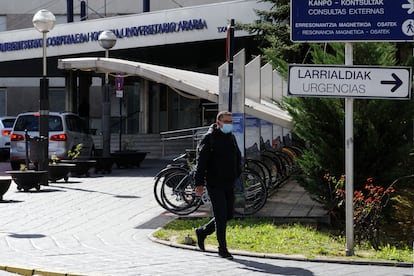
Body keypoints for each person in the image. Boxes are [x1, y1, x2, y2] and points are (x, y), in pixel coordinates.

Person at [194, 111, 242, 260]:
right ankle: (222, 249)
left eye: (230, 122)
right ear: (218, 122)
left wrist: (237, 173)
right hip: (215, 183)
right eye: (226, 121)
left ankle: (202, 232)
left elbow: (237, 156)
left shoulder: (231, 137)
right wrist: (199, 183)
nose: (229, 124)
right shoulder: (210, 138)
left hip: (229, 183)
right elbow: (201, 163)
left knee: (227, 215)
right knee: (220, 216)